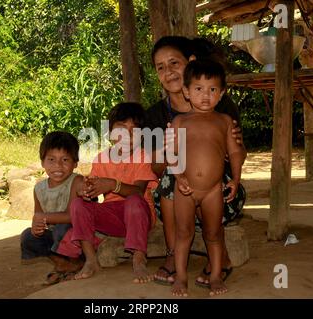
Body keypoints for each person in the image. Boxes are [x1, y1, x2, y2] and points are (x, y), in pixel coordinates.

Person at [145, 36, 247, 287]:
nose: (168, 72)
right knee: (171, 177)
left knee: (206, 186)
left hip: (218, 190)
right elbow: (157, 169)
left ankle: (218, 258)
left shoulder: (220, 108)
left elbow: (236, 152)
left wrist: (234, 162)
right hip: (181, 192)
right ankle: (174, 258)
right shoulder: (157, 116)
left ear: (190, 62)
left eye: (173, 63)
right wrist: (170, 155)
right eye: (160, 67)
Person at [56, 102, 158, 283]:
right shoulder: (101, 158)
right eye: (122, 128)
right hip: (112, 218)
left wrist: (113, 185)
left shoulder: (143, 156)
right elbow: (93, 191)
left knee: (134, 201)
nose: (128, 134)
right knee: (78, 204)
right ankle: (90, 260)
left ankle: (139, 258)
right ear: (111, 132)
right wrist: (86, 190)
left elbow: (139, 191)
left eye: (135, 130)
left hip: (139, 216)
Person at [170, 60, 245, 296]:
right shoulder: (180, 121)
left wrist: (235, 179)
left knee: (213, 234)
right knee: (184, 234)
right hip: (185, 189)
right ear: (187, 92)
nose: (205, 95)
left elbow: (234, 152)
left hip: (214, 189)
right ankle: (181, 277)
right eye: (199, 89)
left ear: (221, 93)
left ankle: (215, 275)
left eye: (212, 89)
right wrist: (179, 176)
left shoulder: (223, 121)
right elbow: (172, 154)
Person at [20, 131, 85, 285]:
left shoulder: (77, 181)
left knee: (62, 229)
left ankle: (78, 261)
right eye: (51, 159)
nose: (58, 166)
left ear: (75, 163)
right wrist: (37, 227)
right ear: (42, 162)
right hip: (57, 236)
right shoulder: (39, 189)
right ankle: (63, 265)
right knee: (28, 236)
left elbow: (72, 216)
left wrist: (42, 218)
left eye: (65, 159)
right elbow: (38, 217)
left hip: (78, 235)